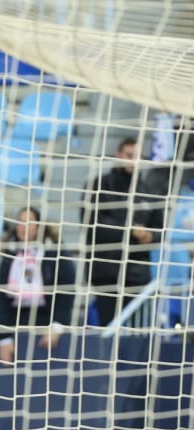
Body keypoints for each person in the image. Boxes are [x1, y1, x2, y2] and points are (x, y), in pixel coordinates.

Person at [82, 137, 165, 327]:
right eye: (129, 155)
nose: (133, 160)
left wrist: (149, 236)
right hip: (106, 273)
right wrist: (130, 232)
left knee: (138, 333)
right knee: (110, 330)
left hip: (138, 275)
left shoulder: (149, 192)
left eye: (137, 156)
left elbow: (160, 231)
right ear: (118, 155)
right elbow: (93, 227)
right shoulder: (98, 186)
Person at [0, 207, 76, 364]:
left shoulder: (55, 254)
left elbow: (67, 292)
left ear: (38, 227)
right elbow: (1, 299)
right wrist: (4, 338)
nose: (23, 227)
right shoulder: (9, 257)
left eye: (29, 222)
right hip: (18, 329)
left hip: (48, 327)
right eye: (20, 222)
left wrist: (58, 326)